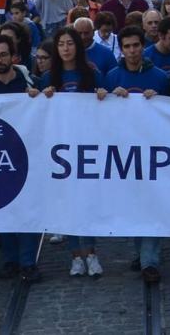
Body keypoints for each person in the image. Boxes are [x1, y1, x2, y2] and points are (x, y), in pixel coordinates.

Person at [106, 26, 170, 284]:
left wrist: (160, 101)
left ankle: (149, 261)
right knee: (134, 206)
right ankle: (142, 253)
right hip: (124, 154)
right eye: (127, 46)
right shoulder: (112, 77)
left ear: (142, 47)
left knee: (151, 205)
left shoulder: (158, 77)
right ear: (121, 50)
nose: (132, 51)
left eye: (136, 45)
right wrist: (108, 96)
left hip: (154, 152)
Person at [38, 27, 107, 277]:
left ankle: (92, 253)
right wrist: (41, 97)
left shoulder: (91, 72)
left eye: (70, 43)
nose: (66, 48)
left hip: (87, 146)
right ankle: (75, 256)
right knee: (67, 204)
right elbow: (36, 108)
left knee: (86, 202)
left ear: (77, 46)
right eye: (61, 44)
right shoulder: (48, 77)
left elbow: (108, 103)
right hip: (60, 149)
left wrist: (102, 95)